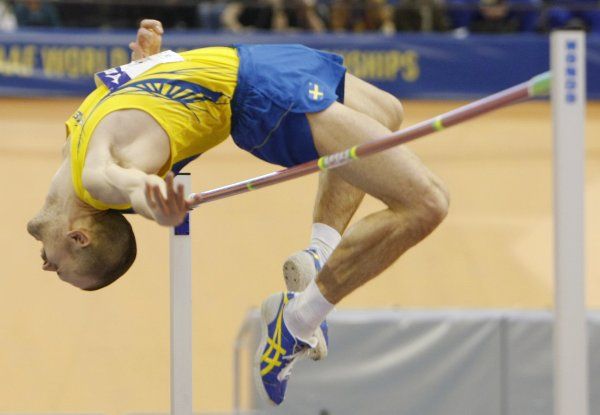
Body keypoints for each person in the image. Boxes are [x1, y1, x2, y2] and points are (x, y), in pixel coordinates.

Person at [27, 19, 449, 405]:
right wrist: (156, 205)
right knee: (426, 205)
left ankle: (316, 258)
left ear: (78, 238)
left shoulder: (71, 154)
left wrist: (146, 62)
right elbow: (133, 184)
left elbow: (137, 112)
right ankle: (299, 321)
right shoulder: (97, 180)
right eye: (59, 269)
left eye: (61, 270)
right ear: (80, 235)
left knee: (387, 111)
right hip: (259, 95)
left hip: (252, 62)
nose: (46, 267)